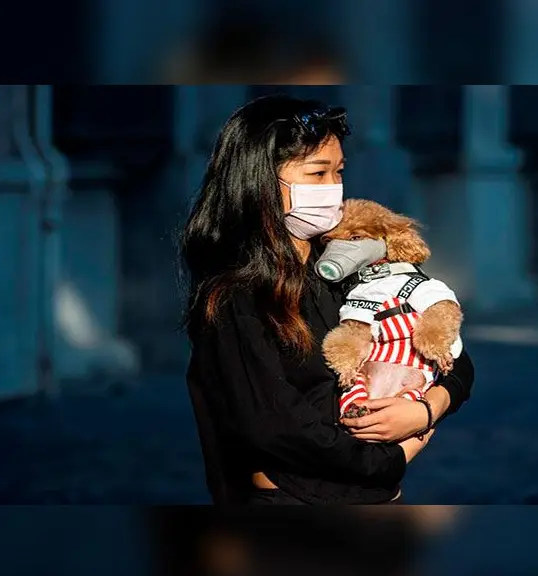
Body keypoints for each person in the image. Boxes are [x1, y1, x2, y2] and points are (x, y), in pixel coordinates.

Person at [179, 94, 474, 505]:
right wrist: (389, 458)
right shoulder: (234, 293)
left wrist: (427, 410)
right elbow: (275, 426)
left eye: (338, 172)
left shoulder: (352, 266)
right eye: (317, 173)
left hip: (377, 495)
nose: (333, 189)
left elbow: (453, 355)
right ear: (260, 179)